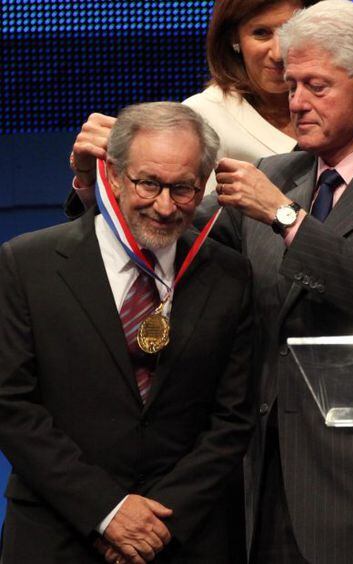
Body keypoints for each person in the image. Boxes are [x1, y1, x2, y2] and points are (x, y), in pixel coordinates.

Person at [196, 1, 353, 562]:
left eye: (316, 86)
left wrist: (287, 219)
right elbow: (187, 253)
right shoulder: (278, 175)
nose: (296, 104)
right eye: (291, 86)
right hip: (262, 483)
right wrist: (96, 187)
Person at [0, 102, 254, 564]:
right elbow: (10, 404)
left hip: (186, 536)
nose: (163, 204)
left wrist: (157, 524)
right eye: (148, 183)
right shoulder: (26, 264)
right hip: (57, 533)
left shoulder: (230, 276)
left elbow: (233, 419)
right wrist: (106, 511)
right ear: (113, 176)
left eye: (182, 188)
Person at [64, 0, 319, 218]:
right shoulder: (203, 117)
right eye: (261, 33)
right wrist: (89, 179)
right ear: (234, 39)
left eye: (290, 32)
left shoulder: (336, 107)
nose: (278, 52)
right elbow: (172, 221)